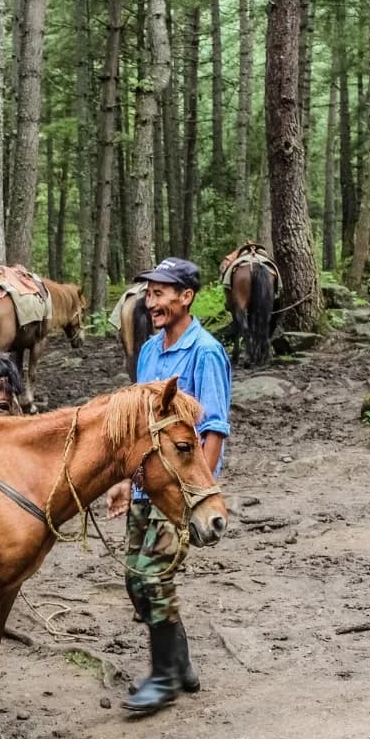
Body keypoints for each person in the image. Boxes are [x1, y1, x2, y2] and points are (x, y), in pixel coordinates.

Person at [105, 257, 231, 714]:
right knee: (134, 580)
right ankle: (179, 662)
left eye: (160, 293)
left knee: (154, 577)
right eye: (149, 293)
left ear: (186, 297)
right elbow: (141, 428)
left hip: (180, 489)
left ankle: (163, 679)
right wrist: (123, 480)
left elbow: (213, 429)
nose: (150, 302)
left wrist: (200, 493)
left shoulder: (206, 352)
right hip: (145, 483)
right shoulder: (149, 351)